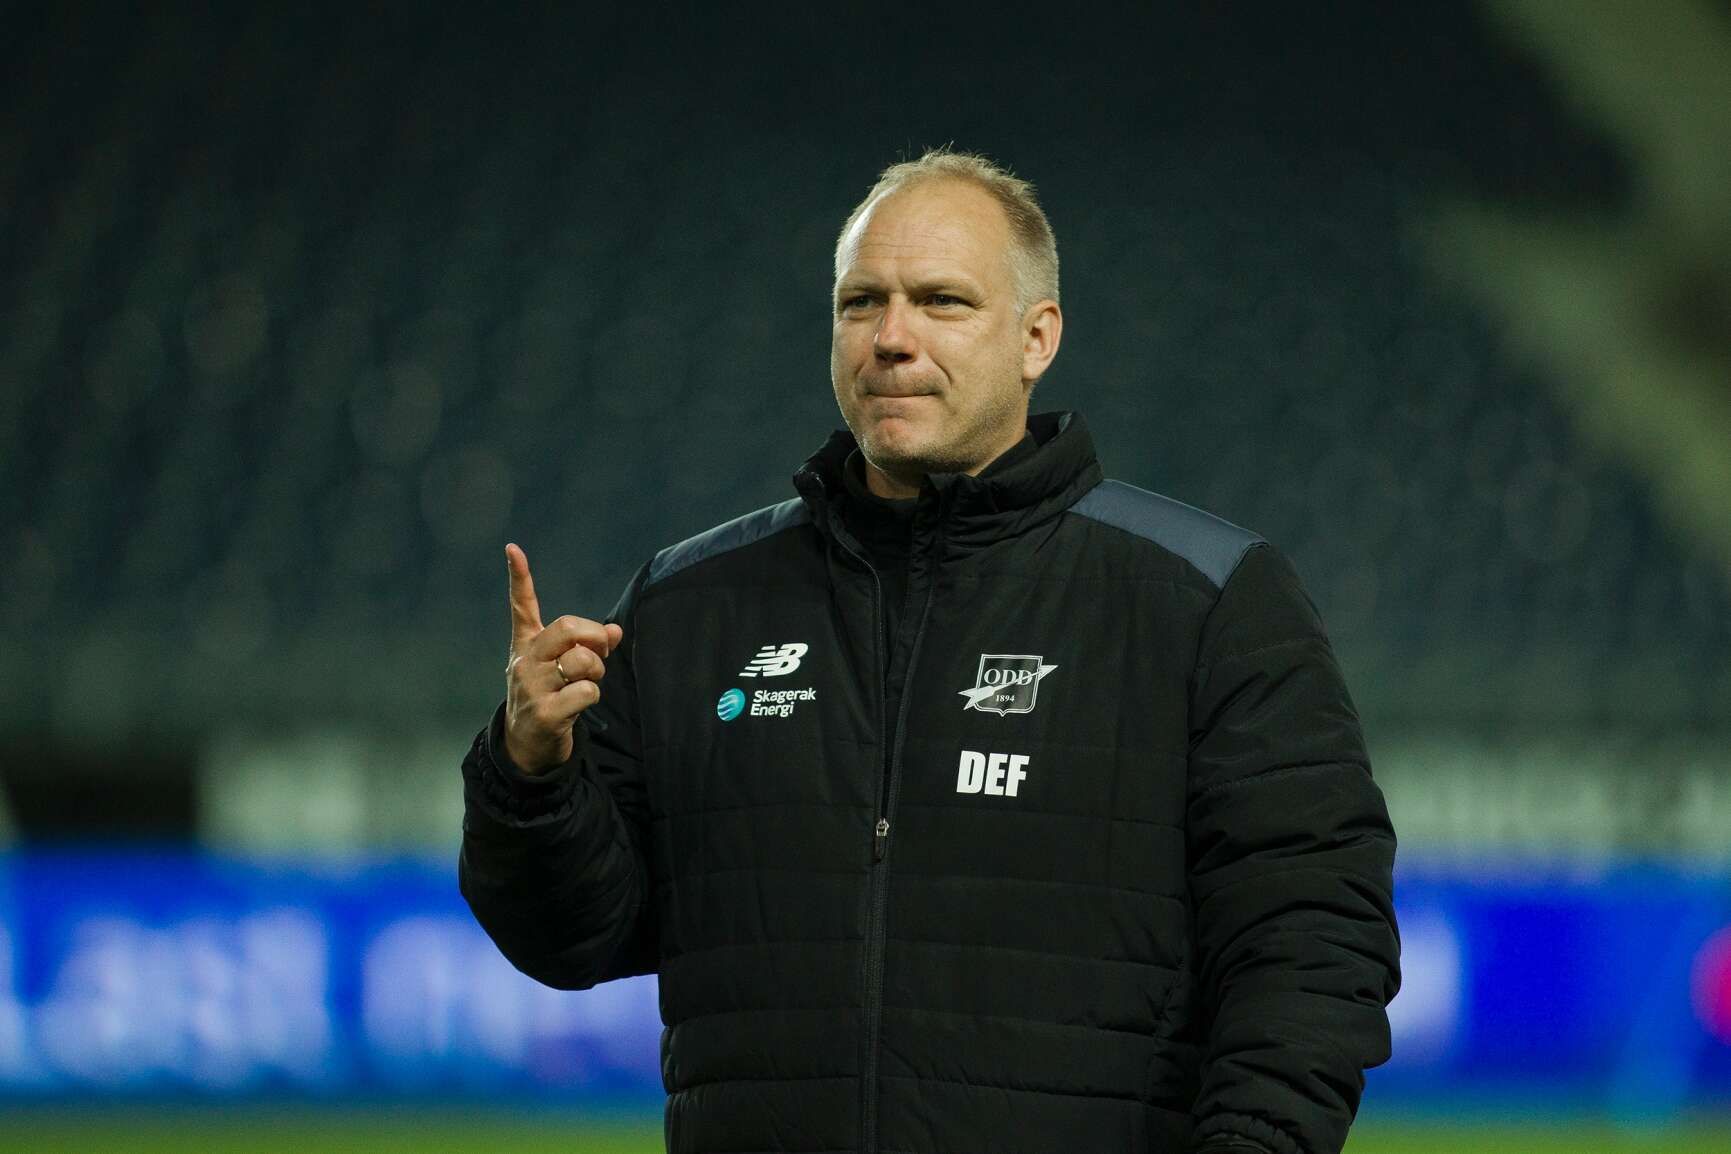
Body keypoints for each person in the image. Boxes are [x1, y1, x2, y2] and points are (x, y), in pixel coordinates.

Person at [458, 148, 1400, 1154]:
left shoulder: (1205, 599)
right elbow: (573, 937)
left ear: (1037, 337)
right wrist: (531, 775)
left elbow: (1313, 943)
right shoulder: (690, 604)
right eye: (860, 302)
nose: (891, 338)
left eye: (941, 301)